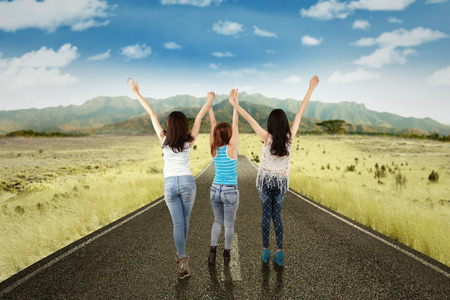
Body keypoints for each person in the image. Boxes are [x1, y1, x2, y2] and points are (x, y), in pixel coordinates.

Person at [127, 78, 215, 279]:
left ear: (168, 126)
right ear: (184, 126)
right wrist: (209, 101)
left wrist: (137, 93)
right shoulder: (188, 141)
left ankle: (182, 259)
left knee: (178, 224)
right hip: (187, 183)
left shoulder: (163, 139)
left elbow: (151, 113)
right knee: (184, 222)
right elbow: (200, 117)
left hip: (169, 185)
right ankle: (181, 257)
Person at [229, 75, 319, 266]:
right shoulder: (290, 137)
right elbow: (300, 113)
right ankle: (279, 252)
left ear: (270, 124)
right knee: (276, 215)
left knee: (265, 215)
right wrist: (311, 88)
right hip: (281, 182)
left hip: (264, 182)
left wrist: (235, 103)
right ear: (285, 124)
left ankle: (265, 251)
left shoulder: (265, 137)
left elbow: (249, 118)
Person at [207, 89, 240, 265]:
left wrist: (210, 104)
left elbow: (213, 124)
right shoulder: (232, 149)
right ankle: (226, 255)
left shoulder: (213, 148)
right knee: (229, 224)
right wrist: (235, 103)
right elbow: (235, 123)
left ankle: (212, 251)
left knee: (217, 221)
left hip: (214, 190)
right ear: (229, 135)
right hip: (230, 191)